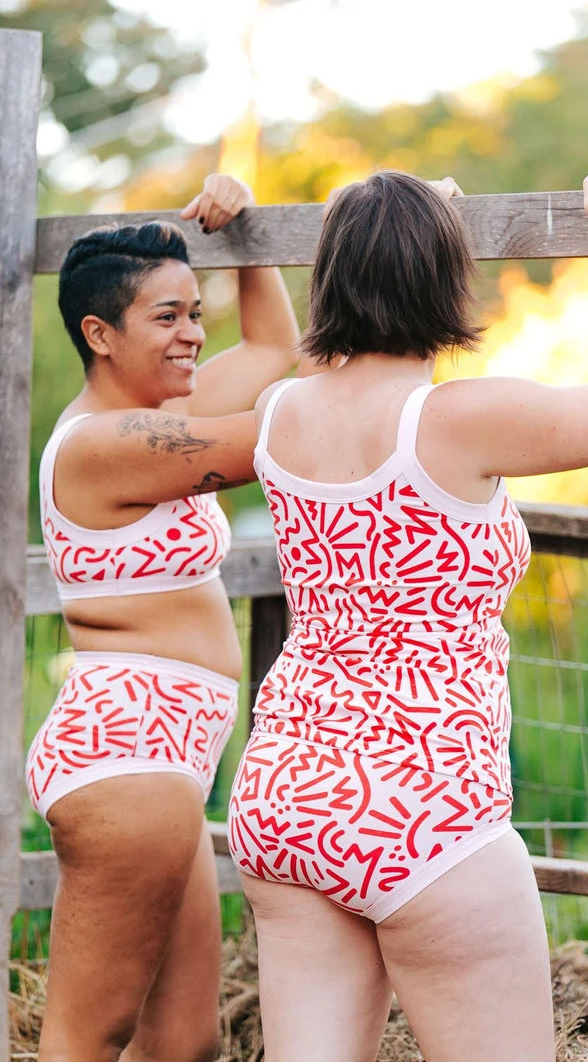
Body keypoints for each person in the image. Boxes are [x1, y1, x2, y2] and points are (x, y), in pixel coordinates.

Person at [227, 165, 588, 1062]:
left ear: (331, 278)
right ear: (444, 276)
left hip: (287, 791)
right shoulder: (460, 419)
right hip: (424, 805)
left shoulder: (282, 412)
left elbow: (336, 368)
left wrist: (389, 218)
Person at [26, 173, 311, 1062]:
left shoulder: (160, 416)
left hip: (170, 761)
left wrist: (248, 235)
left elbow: (272, 348)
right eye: (167, 317)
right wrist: (391, 295)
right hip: (127, 759)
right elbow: (274, 435)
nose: (192, 333)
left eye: (194, 312)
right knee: (85, 1039)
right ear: (99, 334)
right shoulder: (103, 444)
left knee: (185, 1044)